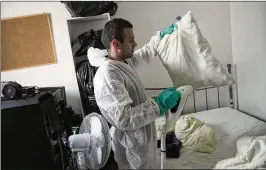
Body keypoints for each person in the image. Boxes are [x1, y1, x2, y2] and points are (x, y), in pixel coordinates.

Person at [93, 18, 180, 169]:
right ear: (116, 44)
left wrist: (159, 37)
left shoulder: (122, 63)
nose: (135, 44)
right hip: (132, 143)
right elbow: (124, 118)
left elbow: (144, 54)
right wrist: (159, 104)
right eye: (131, 40)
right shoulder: (108, 74)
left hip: (141, 136)